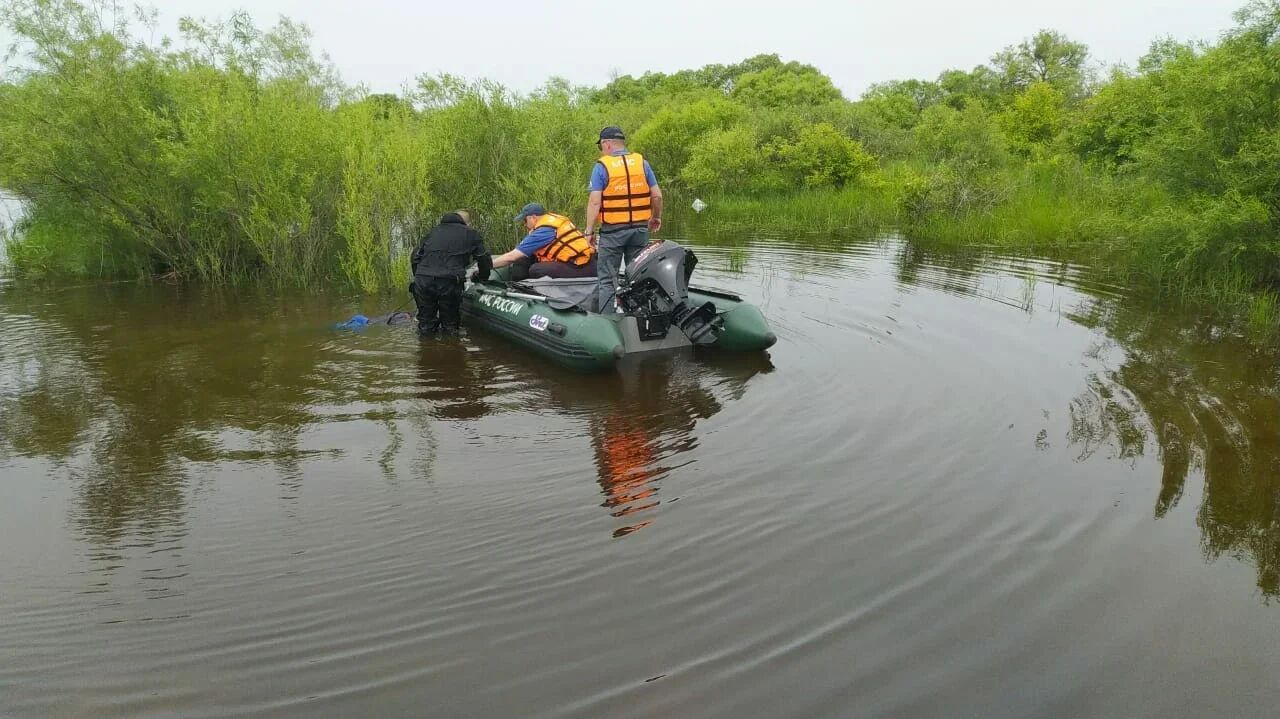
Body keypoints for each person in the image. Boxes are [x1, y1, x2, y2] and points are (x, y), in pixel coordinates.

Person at [582, 126, 663, 312]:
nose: (601, 150)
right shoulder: (642, 163)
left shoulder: (601, 166)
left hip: (613, 233)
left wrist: (589, 231)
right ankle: (640, 317)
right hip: (640, 231)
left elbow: (595, 202)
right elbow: (657, 196)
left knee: (607, 280)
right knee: (637, 276)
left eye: (601, 146)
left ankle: (607, 323)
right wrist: (655, 217)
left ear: (607, 144)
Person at [410, 209, 491, 336]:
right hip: (449, 281)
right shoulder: (471, 234)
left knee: (426, 325)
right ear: (466, 223)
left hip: (423, 279)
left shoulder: (432, 232)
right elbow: (483, 258)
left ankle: (425, 351)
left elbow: (415, 257)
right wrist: (483, 278)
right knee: (450, 325)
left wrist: (419, 277)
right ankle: (451, 350)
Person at [490, 203, 597, 281]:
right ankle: (519, 285)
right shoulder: (552, 221)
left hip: (580, 266)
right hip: (582, 261)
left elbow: (511, 257)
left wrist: (488, 265)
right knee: (524, 258)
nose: (524, 224)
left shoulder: (543, 231)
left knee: (536, 270)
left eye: (525, 220)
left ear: (533, 218)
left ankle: (537, 296)